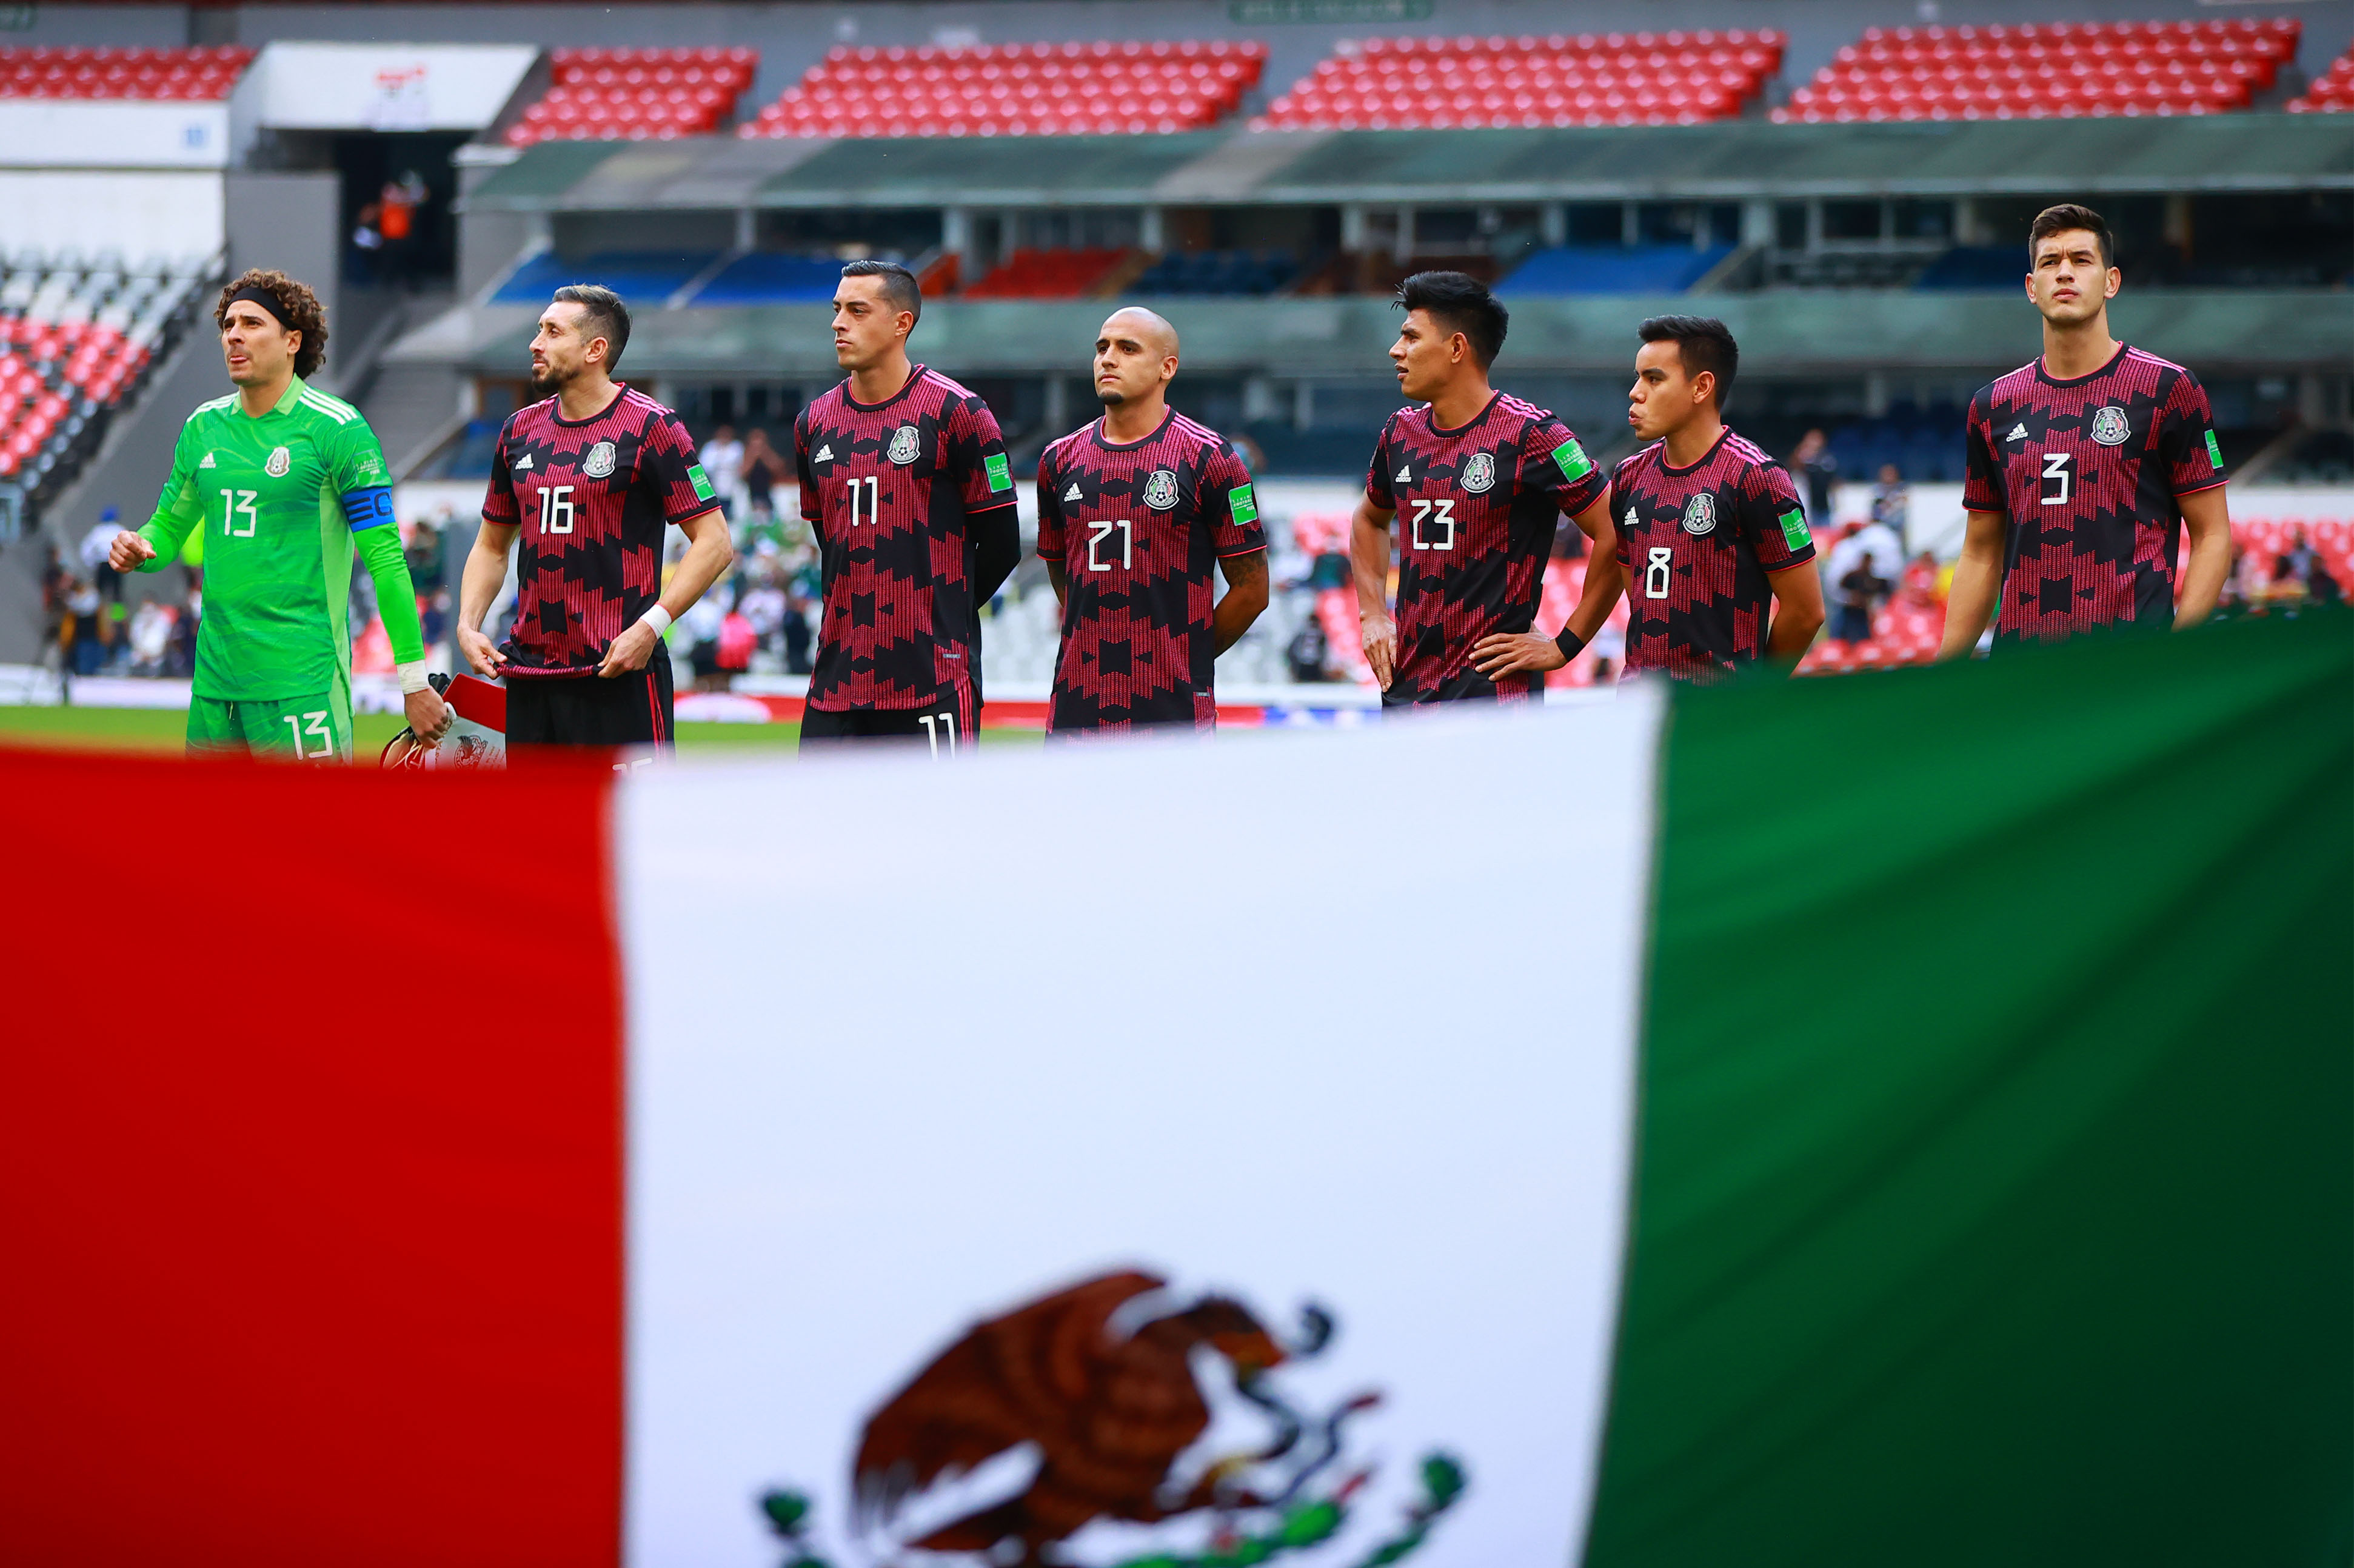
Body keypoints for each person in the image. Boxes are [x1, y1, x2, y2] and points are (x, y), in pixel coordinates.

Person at [107, 268, 447, 758]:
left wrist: (414, 683)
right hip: (215, 688)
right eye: (227, 325)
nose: (234, 335)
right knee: (206, 837)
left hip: (302, 683)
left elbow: (387, 561)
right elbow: (166, 531)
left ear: (292, 340)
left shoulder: (339, 431)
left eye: (251, 322)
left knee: (308, 837)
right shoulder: (204, 428)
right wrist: (142, 546)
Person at [1938, 204, 2232, 658]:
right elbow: (1979, 552)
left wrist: (2178, 656)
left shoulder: (2168, 389)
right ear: (2031, 288)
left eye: (2080, 260)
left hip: (2129, 671)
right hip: (2020, 675)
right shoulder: (1991, 407)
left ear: (2110, 281)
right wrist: (1945, 671)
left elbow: (2212, 535)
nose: (2064, 273)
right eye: (2049, 262)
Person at [456, 284, 734, 749]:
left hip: (619, 671)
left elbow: (715, 542)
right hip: (530, 677)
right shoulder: (517, 431)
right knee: (538, 825)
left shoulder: (652, 428)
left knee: (630, 823)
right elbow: (491, 545)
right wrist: (468, 623)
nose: (535, 343)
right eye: (538, 329)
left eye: (552, 331)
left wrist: (652, 626)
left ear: (595, 349)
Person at [1348, 271, 1622, 706]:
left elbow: (1616, 531)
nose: (1395, 350)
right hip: (1405, 691)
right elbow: (1368, 519)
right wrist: (1372, 615)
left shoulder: (1534, 434)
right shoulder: (1398, 432)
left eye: (1411, 337)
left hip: (1493, 697)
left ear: (1457, 347)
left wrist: (1564, 644)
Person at [793, 259, 1018, 753]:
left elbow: (1003, 544)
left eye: (856, 310)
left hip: (931, 678)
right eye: (836, 310)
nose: (838, 322)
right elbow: (830, 540)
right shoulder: (813, 423)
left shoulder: (958, 413)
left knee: (934, 831)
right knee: (821, 831)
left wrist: (932, 612)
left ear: (902, 324)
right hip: (836, 682)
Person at [1034, 307, 1268, 736]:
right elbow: (1059, 568)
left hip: (1173, 708)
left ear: (1167, 367)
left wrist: (1185, 655)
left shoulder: (1211, 459)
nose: (1108, 358)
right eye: (1101, 347)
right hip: (1076, 704)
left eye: (1127, 348)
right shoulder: (1057, 459)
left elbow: (1252, 590)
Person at [1610, 315, 1824, 681]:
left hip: (1719, 712)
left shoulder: (1757, 478)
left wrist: (1754, 689)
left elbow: (1806, 613)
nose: (1636, 392)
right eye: (1638, 376)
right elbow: (1641, 599)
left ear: (1701, 387)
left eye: (1654, 378)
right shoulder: (1628, 477)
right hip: (1639, 706)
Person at [1790, 427, 1837, 529]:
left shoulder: (1827, 459)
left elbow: (1832, 480)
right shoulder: (1804, 458)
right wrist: (1803, 450)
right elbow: (1795, 465)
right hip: (1807, 505)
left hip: (1825, 506)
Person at [699, 422, 743, 518]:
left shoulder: (737, 447)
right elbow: (704, 467)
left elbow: (741, 466)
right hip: (713, 486)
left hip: (733, 487)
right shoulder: (710, 447)